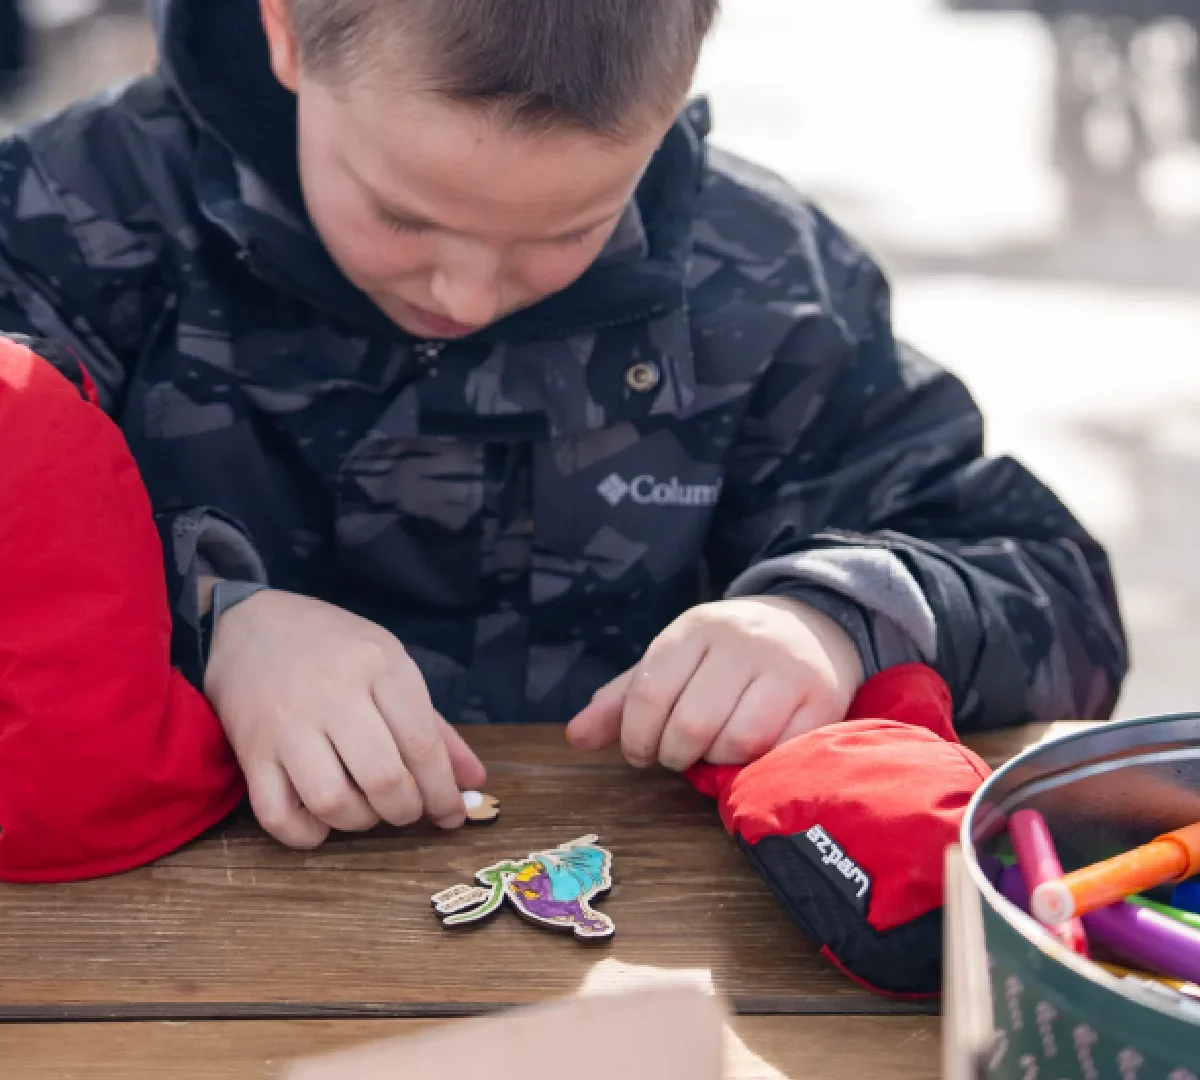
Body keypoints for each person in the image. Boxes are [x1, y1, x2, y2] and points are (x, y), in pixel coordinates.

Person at [0, 0, 1128, 854]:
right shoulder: (69, 220)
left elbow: (1057, 598)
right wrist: (215, 618)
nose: (470, 292)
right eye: (401, 214)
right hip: (155, 959)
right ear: (289, 31)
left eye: (571, 227)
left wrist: (833, 619)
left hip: (643, 959)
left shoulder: (768, 287)